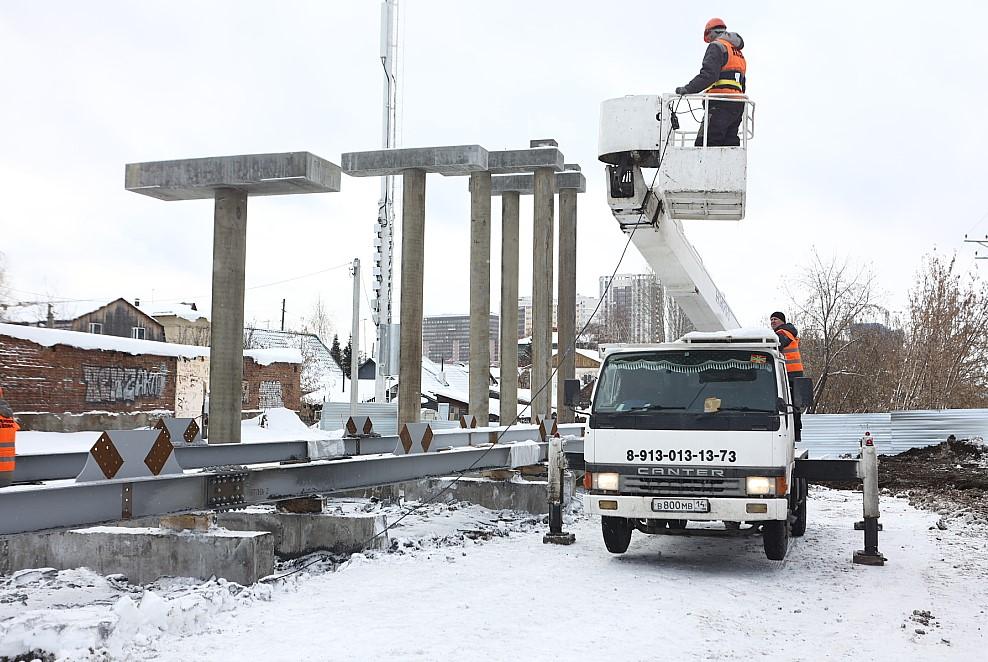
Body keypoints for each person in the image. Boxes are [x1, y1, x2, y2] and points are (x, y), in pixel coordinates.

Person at [675, 17, 747, 147]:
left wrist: (688, 89)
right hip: (738, 105)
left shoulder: (717, 46)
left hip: (720, 104)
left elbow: (709, 75)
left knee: (705, 145)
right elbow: (742, 83)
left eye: (708, 37)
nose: (708, 41)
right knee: (729, 145)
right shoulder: (737, 53)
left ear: (711, 32)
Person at [769, 312, 804, 441]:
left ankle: (794, 431)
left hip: (791, 373)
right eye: (771, 319)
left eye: (775, 319)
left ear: (782, 321)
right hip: (792, 373)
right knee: (793, 404)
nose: (773, 321)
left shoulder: (784, 332)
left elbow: (776, 344)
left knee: (791, 404)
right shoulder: (786, 331)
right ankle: (795, 431)